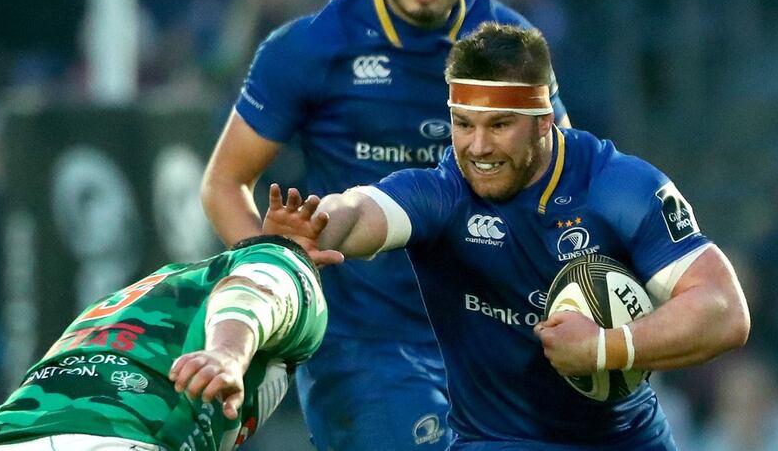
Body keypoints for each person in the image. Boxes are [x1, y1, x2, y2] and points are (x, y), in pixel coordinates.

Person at [201, 0, 569, 448]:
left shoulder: (510, 47)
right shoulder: (310, 48)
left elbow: (562, 181)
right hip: (362, 349)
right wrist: (276, 292)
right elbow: (224, 184)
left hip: (487, 338)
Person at [264, 22, 750, 450]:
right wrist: (317, 224)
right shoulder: (443, 193)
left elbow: (725, 311)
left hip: (632, 438)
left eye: (499, 125)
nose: (478, 147)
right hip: (500, 442)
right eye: (463, 124)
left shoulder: (618, 187)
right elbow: (361, 208)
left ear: (543, 122)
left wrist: (605, 348)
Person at [0, 234, 334, 451]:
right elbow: (254, 293)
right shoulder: (285, 266)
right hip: (117, 436)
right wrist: (227, 353)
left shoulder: (138, 294)